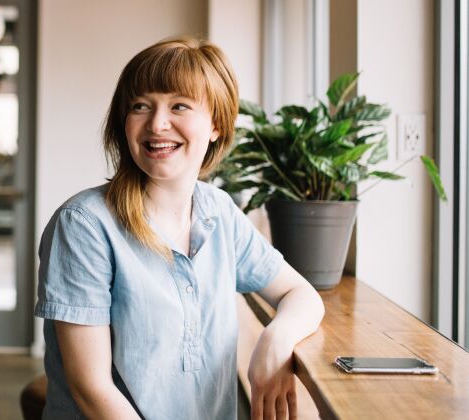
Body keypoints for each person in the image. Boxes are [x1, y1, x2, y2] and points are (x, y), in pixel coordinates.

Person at [35, 37, 325, 420]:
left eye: (179, 106)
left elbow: (300, 293)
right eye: (140, 106)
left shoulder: (218, 211)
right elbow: (92, 390)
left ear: (216, 125)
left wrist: (276, 339)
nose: (157, 124)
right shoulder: (84, 225)